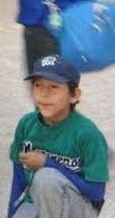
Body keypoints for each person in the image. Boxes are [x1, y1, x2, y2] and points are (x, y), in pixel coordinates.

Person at [8, 55, 109, 218]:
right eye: (38, 85)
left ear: (74, 95)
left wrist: (48, 163)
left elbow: (96, 193)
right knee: (42, 185)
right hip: (36, 202)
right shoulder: (26, 125)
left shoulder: (87, 134)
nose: (44, 94)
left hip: (78, 207)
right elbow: (18, 178)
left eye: (54, 87)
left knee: (46, 179)